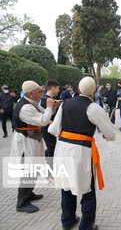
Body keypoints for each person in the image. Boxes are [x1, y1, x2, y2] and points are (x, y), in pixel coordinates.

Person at [48, 76, 116, 230]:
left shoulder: (65, 104)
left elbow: (53, 130)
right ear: (93, 91)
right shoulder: (93, 108)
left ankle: (68, 220)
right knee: (87, 189)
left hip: (62, 150)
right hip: (81, 152)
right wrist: (107, 135)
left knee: (66, 186)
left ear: (78, 90)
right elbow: (110, 133)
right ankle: (86, 226)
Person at [11, 80, 60, 213]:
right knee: (28, 171)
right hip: (26, 142)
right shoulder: (25, 107)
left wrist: (53, 107)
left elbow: (44, 113)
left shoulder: (31, 103)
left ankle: (29, 193)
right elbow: (43, 120)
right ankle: (22, 203)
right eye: (39, 92)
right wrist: (50, 108)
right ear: (31, 94)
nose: (41, 94)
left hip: (33, 139)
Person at [40, 80, 61, 175]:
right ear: (52, 88)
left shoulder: (51, 100)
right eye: (57, 88)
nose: (58, 90)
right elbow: (44, 116)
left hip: (51, 128)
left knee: (51, 148)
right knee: (52, 149)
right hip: (47, 129)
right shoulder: (46, 100)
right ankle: (49, 173)